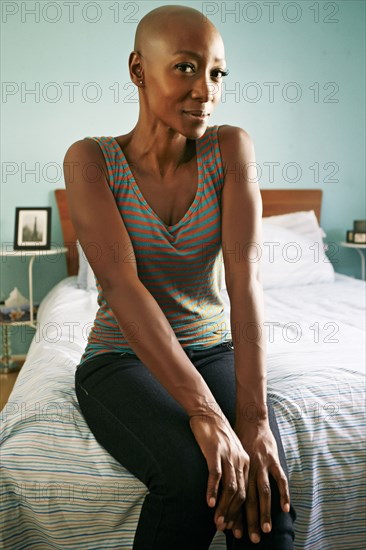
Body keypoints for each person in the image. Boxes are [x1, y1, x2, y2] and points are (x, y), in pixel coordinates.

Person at [64, 4, 297, 549]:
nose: (206, 90)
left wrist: (253, 420)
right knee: (195, 479)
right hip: (120, 359)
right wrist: (204, 413)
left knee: (263, 486)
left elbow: (245, 284)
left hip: (212, 348)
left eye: (217, 72)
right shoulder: (90, 161)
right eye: (187, 68)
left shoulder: (231, 148)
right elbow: (123, 289)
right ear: (138, 70)